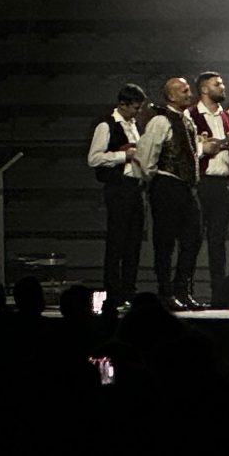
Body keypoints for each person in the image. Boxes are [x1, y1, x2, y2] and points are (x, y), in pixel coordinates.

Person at [134, 76, 206, 309]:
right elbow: (147, 154)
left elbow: (188, 152)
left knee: (193, 239)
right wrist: (153, 179)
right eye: (184, 91)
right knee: (165, 242)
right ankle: (165, 292)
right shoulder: (160, 121)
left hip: (186, 188)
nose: (189, 94)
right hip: (167, 185)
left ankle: (182, 289)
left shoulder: (187, 121)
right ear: (171, 96)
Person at [87, 83, 147, 304]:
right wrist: (123, 156)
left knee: (133, 242)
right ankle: (113, 292)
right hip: (118, 188)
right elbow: (94, 158)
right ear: (123, 104)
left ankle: (129, 289)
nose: (137, 112)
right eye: (135, 108)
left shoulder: (135, 125)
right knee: (117, 241)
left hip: (135, 187)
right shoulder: (107, 125)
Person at [188, 71, 229, 303]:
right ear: (204, 89)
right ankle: (186, 290)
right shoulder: (190, 116)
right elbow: (186, 150)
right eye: (217, 84)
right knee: (193, 237)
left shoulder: (228, 117)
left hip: (222, 184)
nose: (222, 87)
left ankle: (219, 293)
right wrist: (203, 149)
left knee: (218, 241)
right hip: (201, 183)